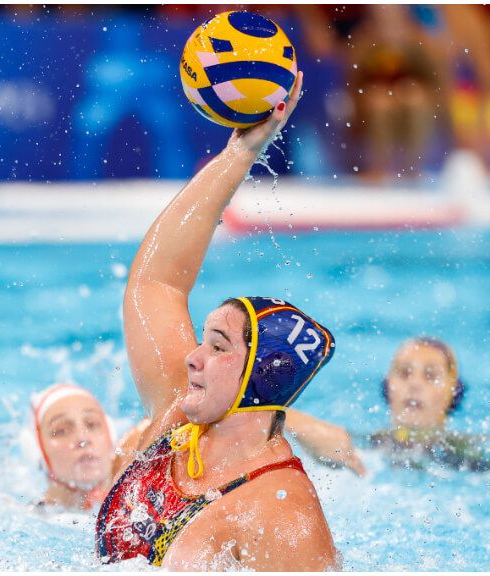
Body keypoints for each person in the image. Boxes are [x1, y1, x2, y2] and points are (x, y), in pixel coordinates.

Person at [95, 72, 341, 571]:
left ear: (261, 377)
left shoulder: (282, 511)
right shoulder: (177, 414)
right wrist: (239, 154)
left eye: (219, 346)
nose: (193, 356)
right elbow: (155, 283)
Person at [288, 337, 490, 473]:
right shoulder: (365, 445)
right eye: (404, 373)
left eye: (430, 376)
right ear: (387, 388)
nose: (414, 384)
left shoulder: (470, 457)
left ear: (454, 393)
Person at [27, 383, 149, 511]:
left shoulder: (137, 497)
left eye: (91, 425)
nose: (83, 439)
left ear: (110, 436)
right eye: (61, 431)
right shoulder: (27, 518)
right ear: (37, 450)